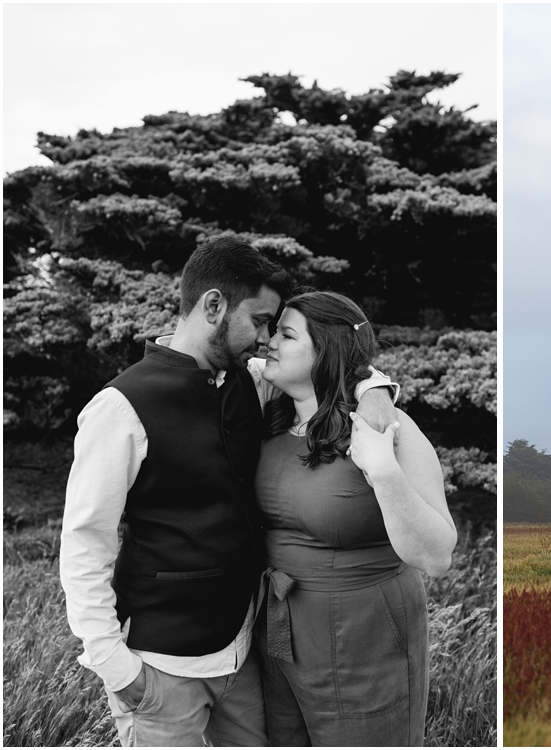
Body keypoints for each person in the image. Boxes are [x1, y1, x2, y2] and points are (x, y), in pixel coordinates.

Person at [59, 237, 398, 747]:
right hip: (161, 667)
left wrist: (374, 388)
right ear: (213, 306)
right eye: (260, 321)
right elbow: (85, 543)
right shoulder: (120, 407)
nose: (266, 339)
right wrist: (115, 667)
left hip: (242, 654)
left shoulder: (250, 379)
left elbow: (327, 364)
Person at [254, 291, 457, 747]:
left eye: (286, 334)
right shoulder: (270, 413)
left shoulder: (389, 429)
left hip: (364, 637)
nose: (270, 341)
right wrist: (372, 384)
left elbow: (438, 555)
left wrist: (383, 471)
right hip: (279, 633)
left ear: (325, 351)